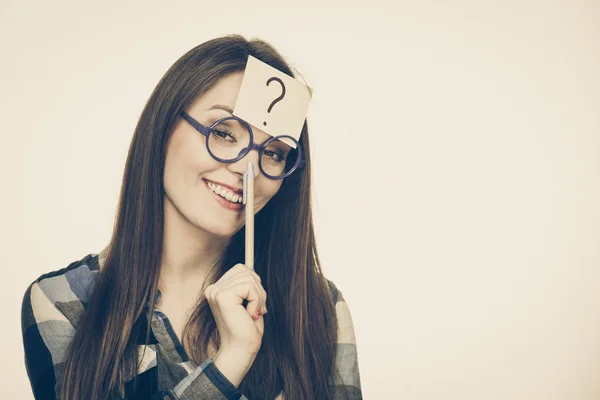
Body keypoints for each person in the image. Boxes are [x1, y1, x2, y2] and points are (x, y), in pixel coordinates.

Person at [21, 35, 362, 399]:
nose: (248, 169)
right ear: (164, 127)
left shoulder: (318, 309)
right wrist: (231, 360)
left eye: (275, 153)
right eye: (223, 132)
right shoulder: (64, 301)